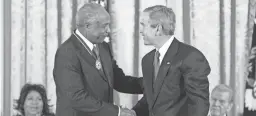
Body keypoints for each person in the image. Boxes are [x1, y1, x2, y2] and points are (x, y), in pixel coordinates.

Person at [53, 3, 142, 116]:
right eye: (104, 26)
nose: (108, 30)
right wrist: (117, 112)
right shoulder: (66, 52)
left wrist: (149, 84)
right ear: (88, 26)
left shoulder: (103, 47)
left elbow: (118, 80)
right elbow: (75, 97)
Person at [132, 5, 211, 116]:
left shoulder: (191, 57)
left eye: (143, 25)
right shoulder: (147, 60)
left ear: (158, 29)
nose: (140, 31)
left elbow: (199, 106)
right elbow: (153, 100)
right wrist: (132, 112)